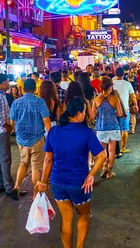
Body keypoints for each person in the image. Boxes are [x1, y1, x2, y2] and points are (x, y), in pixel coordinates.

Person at [36, 97, 107, 248]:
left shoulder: (53, 131)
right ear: (79, 113)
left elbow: (48, 160)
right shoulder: (86, 132)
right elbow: (102, 156)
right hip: (79, 183)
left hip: (57, 182)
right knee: (83, 215)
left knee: (66, 219)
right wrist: (90, 175)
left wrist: (43, 182)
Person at [9, 78, 52, 199]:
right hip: (37, 138)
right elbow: (46, 120)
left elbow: (11, 122)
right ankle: (35, 194)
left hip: (21, 139)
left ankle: (17, 186)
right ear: (35, 88)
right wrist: (52, 136)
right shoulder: (39, 102)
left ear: (23, 89)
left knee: (23, 162)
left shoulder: (16, 103)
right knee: (36, 167)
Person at [91, 77, 123, 179]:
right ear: (110, 87)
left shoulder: (96, 99)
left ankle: (104, 167)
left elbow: (92, 115)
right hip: (113, 127)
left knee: (103, 150)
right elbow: (120, 113)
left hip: (101, 127)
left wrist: (99, 113)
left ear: (101, 87)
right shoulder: (115, 98)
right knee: (112, 151)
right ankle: (109, 171)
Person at [113, 67, 137, 153]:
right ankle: (123, 147)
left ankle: (115, 149)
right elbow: (133, 96)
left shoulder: (112, 83)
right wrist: (136, 105)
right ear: (123, 74)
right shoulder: (127, 84)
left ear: (115, 74)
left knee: (115, 130)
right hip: (124, 111)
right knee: (124, 129)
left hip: (113, 111)